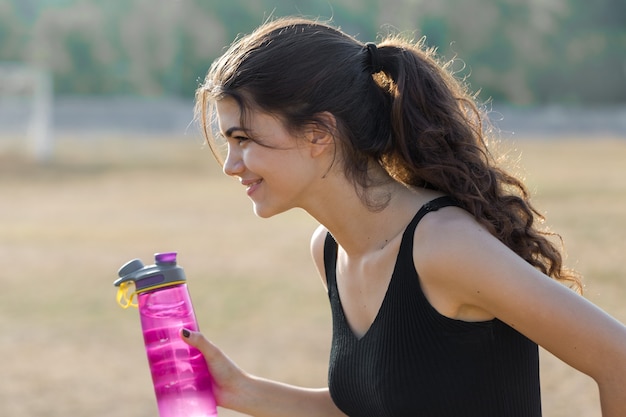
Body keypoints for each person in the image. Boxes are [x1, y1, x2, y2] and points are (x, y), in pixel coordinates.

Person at [182, 16, 626, 417]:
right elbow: (375, 403)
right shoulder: (330, 249)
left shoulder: (445, 245)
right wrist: (242, 391)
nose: (231, 164)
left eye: (242, 138)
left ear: (318, 133)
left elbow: (618, 358)